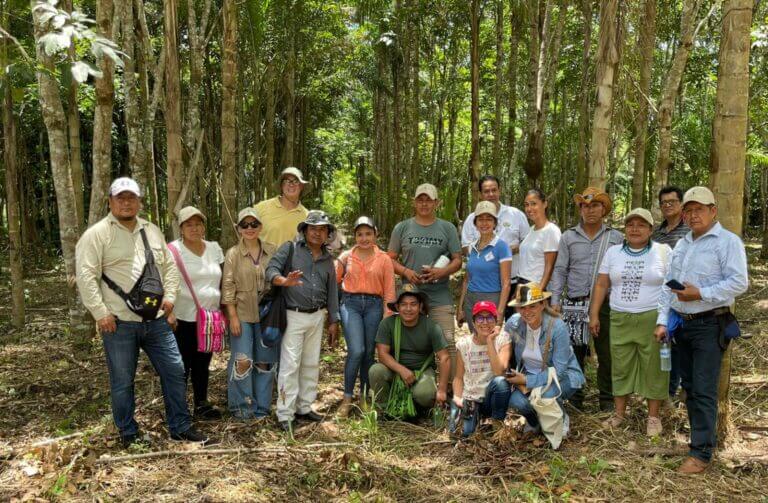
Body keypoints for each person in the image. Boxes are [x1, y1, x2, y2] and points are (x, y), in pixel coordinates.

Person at [75, 177, 208, 447]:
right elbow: (86, 275)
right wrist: (101, 313)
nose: (126, 202)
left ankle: (180, 426)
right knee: (123, 380)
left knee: (174, 370)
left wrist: (169, 299)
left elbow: (170, 268)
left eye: (131, 197)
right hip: (119, 323)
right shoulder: (97, 234)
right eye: (120, 198)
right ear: (110, 201)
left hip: (156, 321)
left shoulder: (152, 230)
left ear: (139, 201)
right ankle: (128, 433)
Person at [655, 187, 748, 474]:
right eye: (689, 210)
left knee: (705, 388)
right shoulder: (683, 244)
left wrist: (701, 293)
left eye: (699, 209)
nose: (693, 215)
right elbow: (668, 285)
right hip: (683, 325)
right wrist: (662, 320)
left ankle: (701, 454)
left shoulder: (727, 242)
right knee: (691, 387)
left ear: (713, 211)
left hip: (710, 324)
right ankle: (700, 441)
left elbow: (739, 283)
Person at [589, 209, 672, 436]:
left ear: (651, 229)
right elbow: (601, 285)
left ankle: (653, 417)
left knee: (654, 367)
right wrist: (594, 314)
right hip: (619, 318)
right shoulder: (613, 252)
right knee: (620, 365)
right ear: (624, 229)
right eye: (630, 225)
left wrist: (665, 320)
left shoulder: (663, 252)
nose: (635, 229)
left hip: (651, 318)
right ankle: (619, 414)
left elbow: (670, 287)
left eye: (641, 225)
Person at [549, 187, 623, 411]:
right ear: (580, 209)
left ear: (604, 209)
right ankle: (576, 397)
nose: (590, 210)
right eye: (585, 206)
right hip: (575, 302)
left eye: (595, 206)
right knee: (575, 352)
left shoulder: (616, 237)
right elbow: (560, 270)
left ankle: (607, 400)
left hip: (605, 304)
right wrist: (555, 299)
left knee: (606, 352)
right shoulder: (568, 236)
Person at [266, 210, 340, 431]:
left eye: (323, 229)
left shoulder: (328, 259)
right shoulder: (290, 248)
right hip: (293, 314)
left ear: (328, 233)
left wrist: (333, 320)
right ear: (305, 230)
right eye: (313, 228)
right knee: (290, 365)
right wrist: (283, 281)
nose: (318, 233)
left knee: (311, 363)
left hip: (318, 315)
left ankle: (304, 407)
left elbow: (333, 291)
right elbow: (270, 269)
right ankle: (285, 413)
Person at [388, 183, 462, 377]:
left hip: (439, 295)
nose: (424, 204)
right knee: (409, 345)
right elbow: (389, 258)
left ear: (436, 203)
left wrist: (441, 272)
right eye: (420, 199)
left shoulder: (447, 228)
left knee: (447, 342)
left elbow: (457, 260)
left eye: (428, 200)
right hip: (410, 296)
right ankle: (415, 385)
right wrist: (406, 271)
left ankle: (450, 392)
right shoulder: (402, 227)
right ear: (414, 202)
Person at [504, 283, 585, 440]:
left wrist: (527, 380)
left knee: (546, 395)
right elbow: (503, 349)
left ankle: (560, 416)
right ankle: (536, 422)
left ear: (542, 305)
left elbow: (559, 372)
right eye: (522, 307)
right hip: (529, 376)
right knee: (515, 401)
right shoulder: (513, 324)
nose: (526, 312)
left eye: (532, 306)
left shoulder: (557, 327)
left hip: (564, 377)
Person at [335, 216, 397, 418]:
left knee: (369, 352)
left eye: (368, 234)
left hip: (374, 305)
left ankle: (363, 397)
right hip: (350, 303)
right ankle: (346, 398)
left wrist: (388, 315)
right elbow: (333, 284)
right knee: (356, 350)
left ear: (375, 234)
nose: (364, 238)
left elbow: (389, 290)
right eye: (360, 234)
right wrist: (333, 313)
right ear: (355, 236)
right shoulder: (345, 257)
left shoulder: (384, 259)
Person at [167, 206, 224, 420]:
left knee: (203, 363)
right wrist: (167, 311)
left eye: (198, 223)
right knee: (181, 365)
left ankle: (201, 403)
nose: (194, 228)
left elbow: (223, 277)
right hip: (182, 318)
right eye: (188, 224)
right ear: (181, 228)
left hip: (209, 318)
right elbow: (163, 280)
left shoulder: (214, 248)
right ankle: (178, 410)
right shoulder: (173, 250)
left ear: (204, 226)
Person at [222, 207, 277, 420]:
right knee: (242, 360)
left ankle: (262, 408)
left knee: (265, 362)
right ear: (238, 228)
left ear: (260, 227)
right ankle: (242, 408)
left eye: (253, 224)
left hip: (267, 317)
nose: (249, 228)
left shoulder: (272, 250)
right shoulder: (233, 254)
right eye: (244, 225)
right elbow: (228, 286)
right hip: (242, 316)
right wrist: (232, 315)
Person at [369, 285, 450, 412]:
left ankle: (414, 409)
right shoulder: (387, 324)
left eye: (413, 304)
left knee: (425, 395)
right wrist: (402, 370)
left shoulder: (431, 326)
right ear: (397, 307)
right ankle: (385, 410)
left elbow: (444, 358)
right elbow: (382, 354)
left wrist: (442, 390)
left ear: (420, 306)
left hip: (422, 371)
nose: (408, 309)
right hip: (395, 370)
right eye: (404, 304)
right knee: (376, 370)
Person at [461, 175, 530, 315]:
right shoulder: (471, 219)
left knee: (516, 327)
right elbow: (465, 248)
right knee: (485, 328)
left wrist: (506, 251)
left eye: (494, 190)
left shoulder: (515, 214)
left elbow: (528, 242)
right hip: (483, 287)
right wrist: (488, 253)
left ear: (500, 191)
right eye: (486, 191)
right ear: (480, 194)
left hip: (514, 282)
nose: (491, 194)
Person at [651, 186, 690, 401]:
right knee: (667, 348)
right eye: (663, 202)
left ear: (681, 204)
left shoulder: (690, 230)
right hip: (662, 299)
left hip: (687, 298)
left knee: (684, 347)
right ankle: (668, 393)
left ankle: (686, 390)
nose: (667, 205)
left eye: (672, 202)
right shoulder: (657, 233)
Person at [450, 301, 512, 437]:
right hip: (472, 397)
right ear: (473, 322)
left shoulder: (503, 340)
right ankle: (477, 419)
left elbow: (498, 372)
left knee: (501, 382)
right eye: (480, 318)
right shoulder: (464, 345)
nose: (485, 322)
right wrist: (457, 398)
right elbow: (459, 377)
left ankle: (497, 423)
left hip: (492, 397)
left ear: (496, 321)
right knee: (463, 434)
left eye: (489, 318)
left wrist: (490, 341)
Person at [457, 201, 512, 332]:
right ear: (475, 223)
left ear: (495, 223)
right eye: (480, 219)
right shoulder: (472, 247)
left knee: (489, 341)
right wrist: (460, 307)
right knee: (475, 337)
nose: (484, 223)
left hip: (491, 299)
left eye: (489, 219)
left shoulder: (501, 246)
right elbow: (467, 279)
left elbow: (506, 283)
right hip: (471, 300)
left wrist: (500, 311)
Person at [254, 167, 310, 248]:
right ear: (281, 186)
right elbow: (245, 232)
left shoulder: (307, 216)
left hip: (293, 260)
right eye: (287, 181)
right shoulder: (261, 208)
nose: (291, 184)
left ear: (301, 186)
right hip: (263, 260)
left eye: (296, 181)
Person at [518, 189, 561, 289]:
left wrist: (539, 293)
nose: (529, 208)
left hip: (537, 286)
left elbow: (549, 268)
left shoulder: (551, 231)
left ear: (544, 204)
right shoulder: (531, 229)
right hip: (522, 284)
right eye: (526, 205)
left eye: (533, 204)